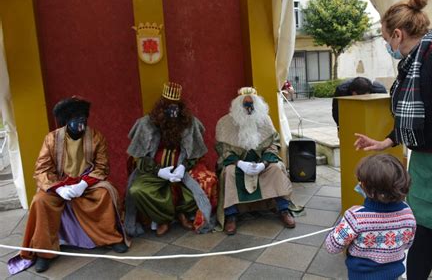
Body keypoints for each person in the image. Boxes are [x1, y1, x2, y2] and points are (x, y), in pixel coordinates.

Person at [354, 0, 432, 279]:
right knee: (419, 242)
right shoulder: (412, 63)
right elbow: (423, 116)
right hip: (422, 168)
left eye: (386, 40)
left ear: (397, 35)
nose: (387, 46)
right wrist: (388, 140)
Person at [8, 97, 128, 275]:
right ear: (66, 121)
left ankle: (111, 238)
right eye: (76, 118)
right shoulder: (52, 139)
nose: (81, 122)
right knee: (40, 201)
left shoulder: (96, 136)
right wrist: (58, 188)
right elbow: (41, 170)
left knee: (106, 193)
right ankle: (44, 252)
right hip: (59, 184)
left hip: (87, 183)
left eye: (83, 118)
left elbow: (102, 166)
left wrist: (83, 184)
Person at [124, 82, 218, 237]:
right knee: (136, 190)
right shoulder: (146, 124)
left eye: (176, 108)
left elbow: (196, 153)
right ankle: (163, 219)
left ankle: (182, 214)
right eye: (169, 108)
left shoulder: (189, 123)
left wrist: (183, 167)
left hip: (183, 171)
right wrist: (159, 171)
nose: (173, 112)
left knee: (208, 181)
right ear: (161, 108)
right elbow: (139, 158)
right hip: (154, 172)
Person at [215, 87, 294, 235]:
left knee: (276, 168)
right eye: (245, 105)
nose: (249, 108)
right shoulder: (224, 123)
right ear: (238, 106)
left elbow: (273, 145)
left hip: (262, 163)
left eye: (252, 104)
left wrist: (263, 163)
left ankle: (284, 209)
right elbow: (223, 150)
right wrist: (240, 164)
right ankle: (231, 215)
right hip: (238, 164)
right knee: (229, 172)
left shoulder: (265, 120)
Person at [325, 154, 416, 280]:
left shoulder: (355, 217)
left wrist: (341, 225)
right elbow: (407, 243)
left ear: (367, 188)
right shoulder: (408, 212)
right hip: (394, 275)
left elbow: (332, 246)